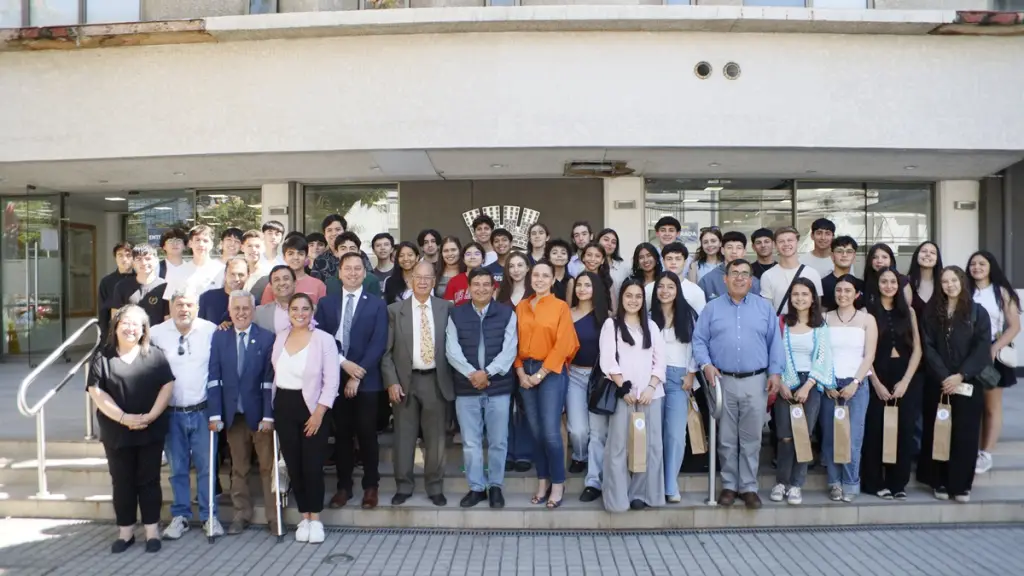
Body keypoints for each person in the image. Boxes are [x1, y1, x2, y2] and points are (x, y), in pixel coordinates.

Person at [693, 259, 784, 509]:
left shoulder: (764, 308)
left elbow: (775, 342)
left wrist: (775, 372)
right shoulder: (711, 309)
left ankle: (749, 487)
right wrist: (705, 365)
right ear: (725, 278)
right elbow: (699, 340)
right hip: (723, 381)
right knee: (726, 437)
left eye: (745, 274)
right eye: (735, 273)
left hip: (756, 380)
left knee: (752, 437)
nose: (740, 278)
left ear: (752, 280)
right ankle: (730, 485)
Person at [87, 304, 174, 554]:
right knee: (122, 481)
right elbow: (97, 392)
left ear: (143, 329)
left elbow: (167, 386)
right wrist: (124, 418)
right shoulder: (102, 356)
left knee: (149, 481)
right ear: (115, 326)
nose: (130, 328)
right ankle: (125, 532)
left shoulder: (154, 354)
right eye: (125, 323)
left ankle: (151, 531)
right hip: (117, 431)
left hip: (150, 428)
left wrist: (151, 415)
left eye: (136, 324)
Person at [315, 252, 389, 510]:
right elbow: (322, 341)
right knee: (343, 436)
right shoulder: (326, 304)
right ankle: (343, 487)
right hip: (335, 378)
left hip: (367, 381)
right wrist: (343, 364)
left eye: (358, 268)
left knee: (367, 434)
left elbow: (378, 343)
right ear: (339, 272)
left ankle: (371, 486)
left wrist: (357, 374)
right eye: (348, 268)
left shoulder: (377, 304)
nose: (353, 273)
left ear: (365, 273)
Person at [149, 287, 223, 539]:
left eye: (189, 305)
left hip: (202, 412)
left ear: (197, 308)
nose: (184, 309)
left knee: (206, 467)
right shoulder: (157, 333)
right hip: (171, 414)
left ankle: (209, 516)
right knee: (178, 468)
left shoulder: (210, 330)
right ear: (170, 307)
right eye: (179, 304)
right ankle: (180, 515)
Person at [205, 290, 278, 535]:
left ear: (254, 310)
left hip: (260, 417)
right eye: (236, 309)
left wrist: (269, 415)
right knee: (239, 468)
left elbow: (269, 380)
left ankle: (273, 515)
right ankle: (241, 514)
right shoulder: (219, 338)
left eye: (246, 308)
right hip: (232, 417)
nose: (241, 313)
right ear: (230, 310)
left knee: (268, 468)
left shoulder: (267, 338)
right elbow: (214, 377)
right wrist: (215, 414)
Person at [383, 262, 456, 506]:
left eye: (428, 278)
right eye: (418, 277)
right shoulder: (395, 310)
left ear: (434, 281)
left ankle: (435, 487)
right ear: (410, 280)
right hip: (405, 381)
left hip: (435, 379)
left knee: (436, 439)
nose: (423, 281)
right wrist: (391, 382)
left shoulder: (446, 308)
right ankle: (403, 486)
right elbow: (386, 353)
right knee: (404, 437)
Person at [446, 268, 519, 509]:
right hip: (467, 388)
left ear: (493, 287)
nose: (481, 288)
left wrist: (486, 374)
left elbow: (510, 350)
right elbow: (452, 351)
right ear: (468, 288)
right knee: (471, 442)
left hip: (498, 387)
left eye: (485, 284)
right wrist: (472, 375)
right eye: (476, 284)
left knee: (498, 441)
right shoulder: (456, 314)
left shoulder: (507, 313)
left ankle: (495, 486)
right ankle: (476, 487)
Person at [918, 266, 992, 502]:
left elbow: (982, 350)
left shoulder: (978, 313)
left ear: (962, 282)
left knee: (965, 435)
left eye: (954, 280)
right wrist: (943, 376)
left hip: (968, 383)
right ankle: (939, 482)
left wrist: (960, 375)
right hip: (938, 383)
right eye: (945, 281)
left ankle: (961, 486)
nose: (949, 284)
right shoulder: (931, 312)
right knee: (939, 432)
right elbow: (927, 347)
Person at [272, 293, 339, 543]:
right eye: (294, 309)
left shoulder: (324, 340)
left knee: (312, 466)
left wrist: (319, 413)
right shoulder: (281, 337)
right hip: (284, 406)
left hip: (312, 407)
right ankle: (304, 516)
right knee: (294, 465)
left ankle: (316, 519)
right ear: (288, 311)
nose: (299, 313)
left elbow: (332, 381)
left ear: (312, 311)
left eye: (305, 309)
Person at [515, 260, 580, 509]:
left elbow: (564, 344)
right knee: (536, 432)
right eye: (536, 275)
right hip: (525, 371)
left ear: (553, 280)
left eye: (545, 276)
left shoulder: (560, 307)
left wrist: (540, 374)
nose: (540, 279)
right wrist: (521, 372)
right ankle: (542, 480)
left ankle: (558, 483)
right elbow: (513, 341)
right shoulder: (521, 306)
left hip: (551, 372)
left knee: (552, 433)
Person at [599, 279, 667, 512]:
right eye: (629, 295)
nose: (633, 300)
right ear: (621, 298)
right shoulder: (612, 325)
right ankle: (617, 498)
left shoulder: (652, 326)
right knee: (619, 447)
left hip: (651, 395)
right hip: (623, 395)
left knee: (649, 446)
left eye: (638, 296)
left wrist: (650, 387)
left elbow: (660, 362)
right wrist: (623, 388)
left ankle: (641, 493)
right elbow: (608, 361)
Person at [862, 268, 923, 500]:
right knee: (875, 430)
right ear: (877, 285)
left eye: (893, 282)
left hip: (905, 375)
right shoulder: (868, 312)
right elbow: (864, 352)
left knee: (905, 430)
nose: (888, 285)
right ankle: (875, 482)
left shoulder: (909, 311)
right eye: (884, 281)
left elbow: (917, 349)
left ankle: (898, 483)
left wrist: (906, 381)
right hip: (877, 373)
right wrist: (875, 382)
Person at [770, 279, 833, 506]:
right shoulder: (782, 322)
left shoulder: (821, 325)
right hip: (785, 382)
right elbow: (774, 352)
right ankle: (781, 483)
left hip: (810, 383)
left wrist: (808, 385)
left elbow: (824, 358)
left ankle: (797, 484)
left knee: (803, 436)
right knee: (785, 436)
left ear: (813, 297)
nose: (799, 298)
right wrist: (782, 383)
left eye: (805, 294)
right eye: (795, 294)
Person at [821, 274, 878, 503]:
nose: (842, 294)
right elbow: (821, 354)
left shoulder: (867, 319)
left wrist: (856, 382)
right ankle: (834, 483)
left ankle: (851, 482)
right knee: (830, 437)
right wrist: (827, 382)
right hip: (830, 384)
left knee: (853, 437)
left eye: (847, 290)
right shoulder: (825, 318)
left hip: (857, 384)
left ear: (856, 294)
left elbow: (869, 354)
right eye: (838, 290)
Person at [967, 251, 1021, 474]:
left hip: (992, 355)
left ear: (991, 266)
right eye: (973, 264)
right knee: (972, 406)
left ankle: (986, 452)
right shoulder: (965, 290)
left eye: (982, 263)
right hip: (967, 354)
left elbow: (1014, 326)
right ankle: (971, 449)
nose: (977, 267)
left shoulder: (1001, 292)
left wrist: (993, 348)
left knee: (991, 407)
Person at [650, 271, 698, 504]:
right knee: (654, 433)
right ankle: (655, 483)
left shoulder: (688, 315)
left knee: (676, 435)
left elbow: (696, 347)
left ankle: (670, 484)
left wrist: (690, 374)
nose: (665, 291)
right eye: (661, 287)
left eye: (670, 287)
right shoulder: (648, 317)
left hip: (679, 379)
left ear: (677, 290)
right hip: (654, 380)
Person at [566, 272, 610, 477]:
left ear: (596, 290)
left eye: (587, 285)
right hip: (573, 375)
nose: (582, 289)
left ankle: (596, 473)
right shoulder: (566, 313)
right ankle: (579, 455)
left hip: (599, 378)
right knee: (577, 429)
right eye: (579, 285)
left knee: (597, 430)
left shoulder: (607, 317)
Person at [495, 252, 535, 473]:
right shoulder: (501, 295)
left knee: (526, 407)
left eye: (521, 265)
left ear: (528, 268)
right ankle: (508, 452)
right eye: (512, 266)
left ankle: (524, 453)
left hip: (528, 359)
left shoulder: (535, 293)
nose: (516, 269)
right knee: (504, 408)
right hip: (503, 359)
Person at [760, 226, 824, 315]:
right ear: (775, 245)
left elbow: (817, 308)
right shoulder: (768, 275)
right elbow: (767, 311)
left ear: (797, 242)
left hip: (807, 326)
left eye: (790, 240)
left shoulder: (812, 273)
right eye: (781, 241)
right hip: (780, 327)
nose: (786, 244)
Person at [107, 244, 170, 329]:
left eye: (148, 259)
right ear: (133, 262)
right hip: (131, 336)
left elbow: (168, 319)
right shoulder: (122, 286)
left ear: (156, 261)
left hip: (157, 337)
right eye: (139, 259)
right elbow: (116, 316)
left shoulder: (164, 286)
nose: (143, 263)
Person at [260, 235, 326, 305]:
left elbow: (322, 313)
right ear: (284, 257)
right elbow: (265, 312)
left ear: (306, 257)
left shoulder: (318, 285)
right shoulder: (274, 285)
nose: (295, 257)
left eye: (300, 254)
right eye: (290, 253)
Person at [698, 231, 762, 302]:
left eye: (739, 248)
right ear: (722, 250)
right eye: (729, 247)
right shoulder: (707, 281)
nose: (734, 251)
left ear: (744, 251)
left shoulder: (754, 282)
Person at [171, 225, 224, 298]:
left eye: (205, 241)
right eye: (197, 240)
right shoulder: (179, 271)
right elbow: (171, 301)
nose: (201, 244)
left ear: (211, 245)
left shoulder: (222, 270)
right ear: (190, 243)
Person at [326, 232, 382, 298]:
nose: (348, 252)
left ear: (359, 252)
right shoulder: (330, 283)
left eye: (352, 248)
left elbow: (376, 305)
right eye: (343, 249)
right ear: (336, 253)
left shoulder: (371, 280)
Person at [98, 242, 135, 339]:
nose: (124, 259)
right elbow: (103, 311)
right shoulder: (107, 281)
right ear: (115, 258)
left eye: (128, 255)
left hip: (135, 329)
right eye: (120, 255)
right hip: (114, 330)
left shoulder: (139, 278)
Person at [199, 257, 248, 328]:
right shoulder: (207, 298)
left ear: (248, 276)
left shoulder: (252, 303)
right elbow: (200, 327)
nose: (236, 279)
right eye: (232, 274)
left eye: (241, 275)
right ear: (225, 275)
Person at [660, 243, 706, 314]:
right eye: (669, 259)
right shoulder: (651, 288)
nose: (673, 262)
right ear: (663, 262)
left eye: (678, 259)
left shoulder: (696, 291)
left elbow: (701, 321)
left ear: (685, 262)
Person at [566, 242, 613, 311]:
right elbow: (568, 310)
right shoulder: (573, 281)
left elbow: (613, 311)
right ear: (583, 258)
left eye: (597, 256)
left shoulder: (607, 281)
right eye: (589, 255)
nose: (592, 259)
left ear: (602, 260)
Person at [821, 236, 863, 311]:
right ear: (832, 256)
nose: (844, 255)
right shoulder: (822, 285)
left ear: (854, 256)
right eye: (839, 251)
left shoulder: (862, 285)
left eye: (849, 251)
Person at [908, 241, 943, 323]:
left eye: (932, 253)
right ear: (916, 256)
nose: (928, 254)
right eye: (924, 251)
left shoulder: (943, 284)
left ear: (937, 259)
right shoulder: (906, 283)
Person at [443, 242, 485, 306]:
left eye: (477, 254)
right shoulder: (454, 281)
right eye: (468, 254)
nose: (472, 257)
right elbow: (448, 309)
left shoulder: (490, 280)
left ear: (483, 259)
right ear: (463, 259)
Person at [385, 241, 423, 306]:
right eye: (401, 256)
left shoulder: (425, 280)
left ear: (417, 258)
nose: (405, 259)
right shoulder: (390, 282)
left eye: (410, 255)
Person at [597, 228, 631, 296]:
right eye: (606, 240)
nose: (609, 244)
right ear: (598, 241)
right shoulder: (589, 265)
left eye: (613, 242)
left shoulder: (624, 267)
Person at [241, 230, 272, 297]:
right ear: (242, 248)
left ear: (264, 248)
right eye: (249, 246)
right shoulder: (239, 273)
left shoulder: (268, 274)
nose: (254, 249)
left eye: (257, 246)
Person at [158, 228, 190, 292]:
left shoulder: (191, 269)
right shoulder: (156, 268)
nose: (174, 244)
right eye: (170, 241)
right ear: (164, 246)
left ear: (184, 246)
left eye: (178, 240)